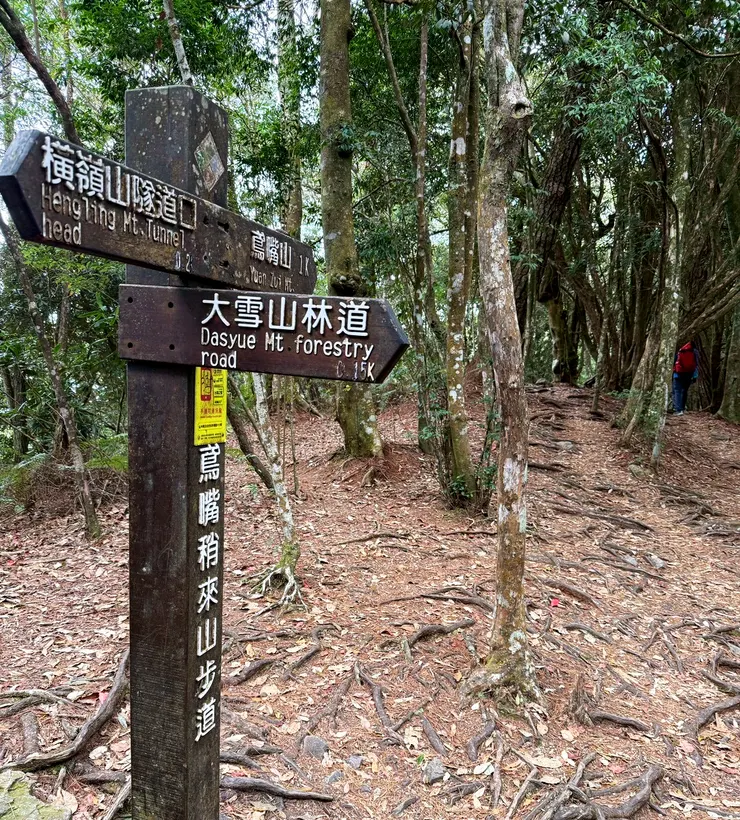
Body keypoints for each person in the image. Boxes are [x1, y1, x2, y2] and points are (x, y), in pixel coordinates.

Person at [672, 340, 699, 416]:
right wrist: (695, 376)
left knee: (677, 390)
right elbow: (696, 364)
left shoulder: (680, 350)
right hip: (689, 374)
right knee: (684, 391)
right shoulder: (694, 351)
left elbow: (675, 362)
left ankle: (678, 410)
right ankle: (682, 408)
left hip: (678, 373)